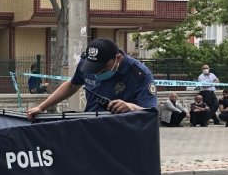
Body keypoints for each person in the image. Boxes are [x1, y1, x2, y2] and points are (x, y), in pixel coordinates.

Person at [25, 38, 157, 118]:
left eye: (102, 67)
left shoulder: (139, 74)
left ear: (117, 58)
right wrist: (42, 107)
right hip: (93, 126)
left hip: (123, 132)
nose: (97, 72)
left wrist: (131, 107)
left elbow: (151, 114)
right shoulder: (86, 63)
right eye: (94, 68)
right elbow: (72, 85)